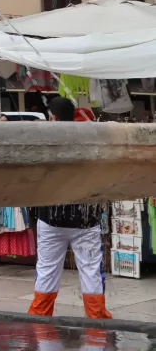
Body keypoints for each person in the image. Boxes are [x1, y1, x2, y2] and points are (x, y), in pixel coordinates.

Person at [28, 96, 111, 320]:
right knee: (91, 272)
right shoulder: (88, 140)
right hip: (85, 220)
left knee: (46, 271)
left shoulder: (43, 143)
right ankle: (97, 324)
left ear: (52, 117)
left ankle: (39, 321)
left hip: (50, 220)